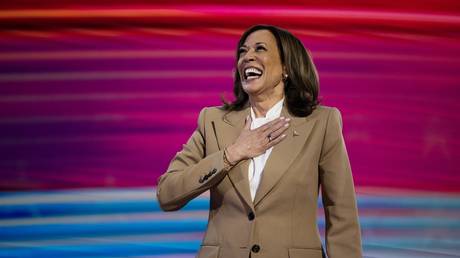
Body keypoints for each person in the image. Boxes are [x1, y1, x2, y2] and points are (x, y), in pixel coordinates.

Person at [156, 24, 362, 258]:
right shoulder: (212, 121)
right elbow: (167, 194)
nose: (247, 57)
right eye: (243, 52)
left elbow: (341, 212)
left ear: (286, 67)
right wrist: (232, 154)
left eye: (260, 49)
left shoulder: (322, 123)